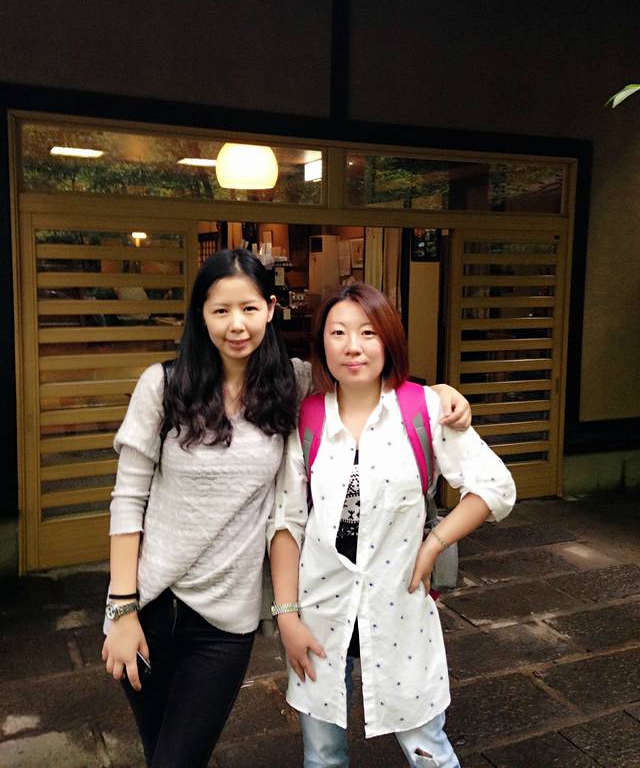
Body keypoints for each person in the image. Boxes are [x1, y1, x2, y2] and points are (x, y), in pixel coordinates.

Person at [101, 250, 472, 768]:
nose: (236, 325)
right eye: (220, 310)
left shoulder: (290, 384)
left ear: (271, 309)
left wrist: (439, 394)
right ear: (201, 314)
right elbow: (128, 500)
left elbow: (363, 375)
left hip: (224, 618)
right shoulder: (162, 386)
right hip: (148, 605)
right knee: (160, 749)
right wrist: (122, 609)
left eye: (249, 308)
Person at [268, 282, 516, 768]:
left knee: (428, 752)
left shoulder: (424, 409)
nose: (353, 346)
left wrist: (434, 544)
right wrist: (287, 617)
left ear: (389, 340)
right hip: (321, 611)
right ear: (321, 345)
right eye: (338, 333)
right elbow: (287, 523)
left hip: (399, 606)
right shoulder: (308, 418)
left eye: (367, 332)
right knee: (322, 756)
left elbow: (494, 486)